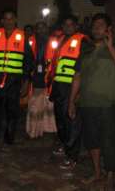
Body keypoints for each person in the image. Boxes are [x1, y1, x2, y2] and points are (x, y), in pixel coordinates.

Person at [68, 13, 115, 190]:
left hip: (107, 104)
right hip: (87, 103)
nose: (96, 27)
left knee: (108, 140)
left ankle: (110, 175)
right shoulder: (85, 49)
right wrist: (71, 101)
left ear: (109, 29)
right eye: (95, 25)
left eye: (101, 24)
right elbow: (77, 76)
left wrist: (110, 47)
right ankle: (97, 173)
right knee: (92, 140)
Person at [0, 9, 34, 153]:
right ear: (2, 21)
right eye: (5, 18)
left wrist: (26, 82)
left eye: (11, 18)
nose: (8, 21)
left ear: (16, 20)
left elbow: (29, 61)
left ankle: (8, 140)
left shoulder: (22, 36)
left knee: (12, 111)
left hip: (14, 80)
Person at [46, 15, 87, 171]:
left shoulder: (83, 40)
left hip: (72, 87)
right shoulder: (61, 39)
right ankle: (65, 145)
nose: (68, 27)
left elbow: (83, 69)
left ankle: (73, 156)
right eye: (66, 24)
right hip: (59, 86)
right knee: (61, 120)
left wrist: (78, 92)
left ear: (76, 26)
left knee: (72, 122)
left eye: (71, 24)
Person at [26, 21, 57, 138]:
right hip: (35, 75)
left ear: (47, 29)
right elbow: (27, 58)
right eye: (38, 28)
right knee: (34, 103)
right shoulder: (30, 41)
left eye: (43, 27)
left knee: (49, 103)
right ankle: (34, 130)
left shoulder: (55, 41)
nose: (41, 30)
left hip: (50, 75)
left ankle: (48, 129)